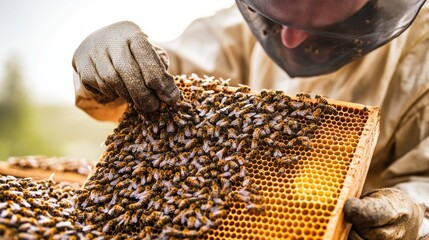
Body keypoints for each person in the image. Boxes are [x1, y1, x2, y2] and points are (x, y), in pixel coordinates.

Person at [72, 0, 429, 239]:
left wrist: (416, 218)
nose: (289, 40)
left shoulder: (421, 55)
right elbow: (158, 93)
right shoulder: (230, 33)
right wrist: (107, 67)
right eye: (273, 20)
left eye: (323, 29)